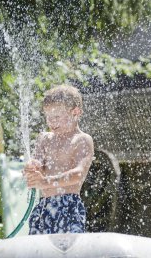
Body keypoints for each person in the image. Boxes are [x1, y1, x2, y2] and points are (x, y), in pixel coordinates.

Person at [23, 84, 94, 235]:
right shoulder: (44, 139)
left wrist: (45, 182)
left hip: (68, 206)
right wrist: (32, 168)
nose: (51, 122)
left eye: (56, 117)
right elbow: (37, 164)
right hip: (43, 207)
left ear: (75, 112)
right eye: (48, 117)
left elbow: (78, 174)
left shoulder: (81, 140)